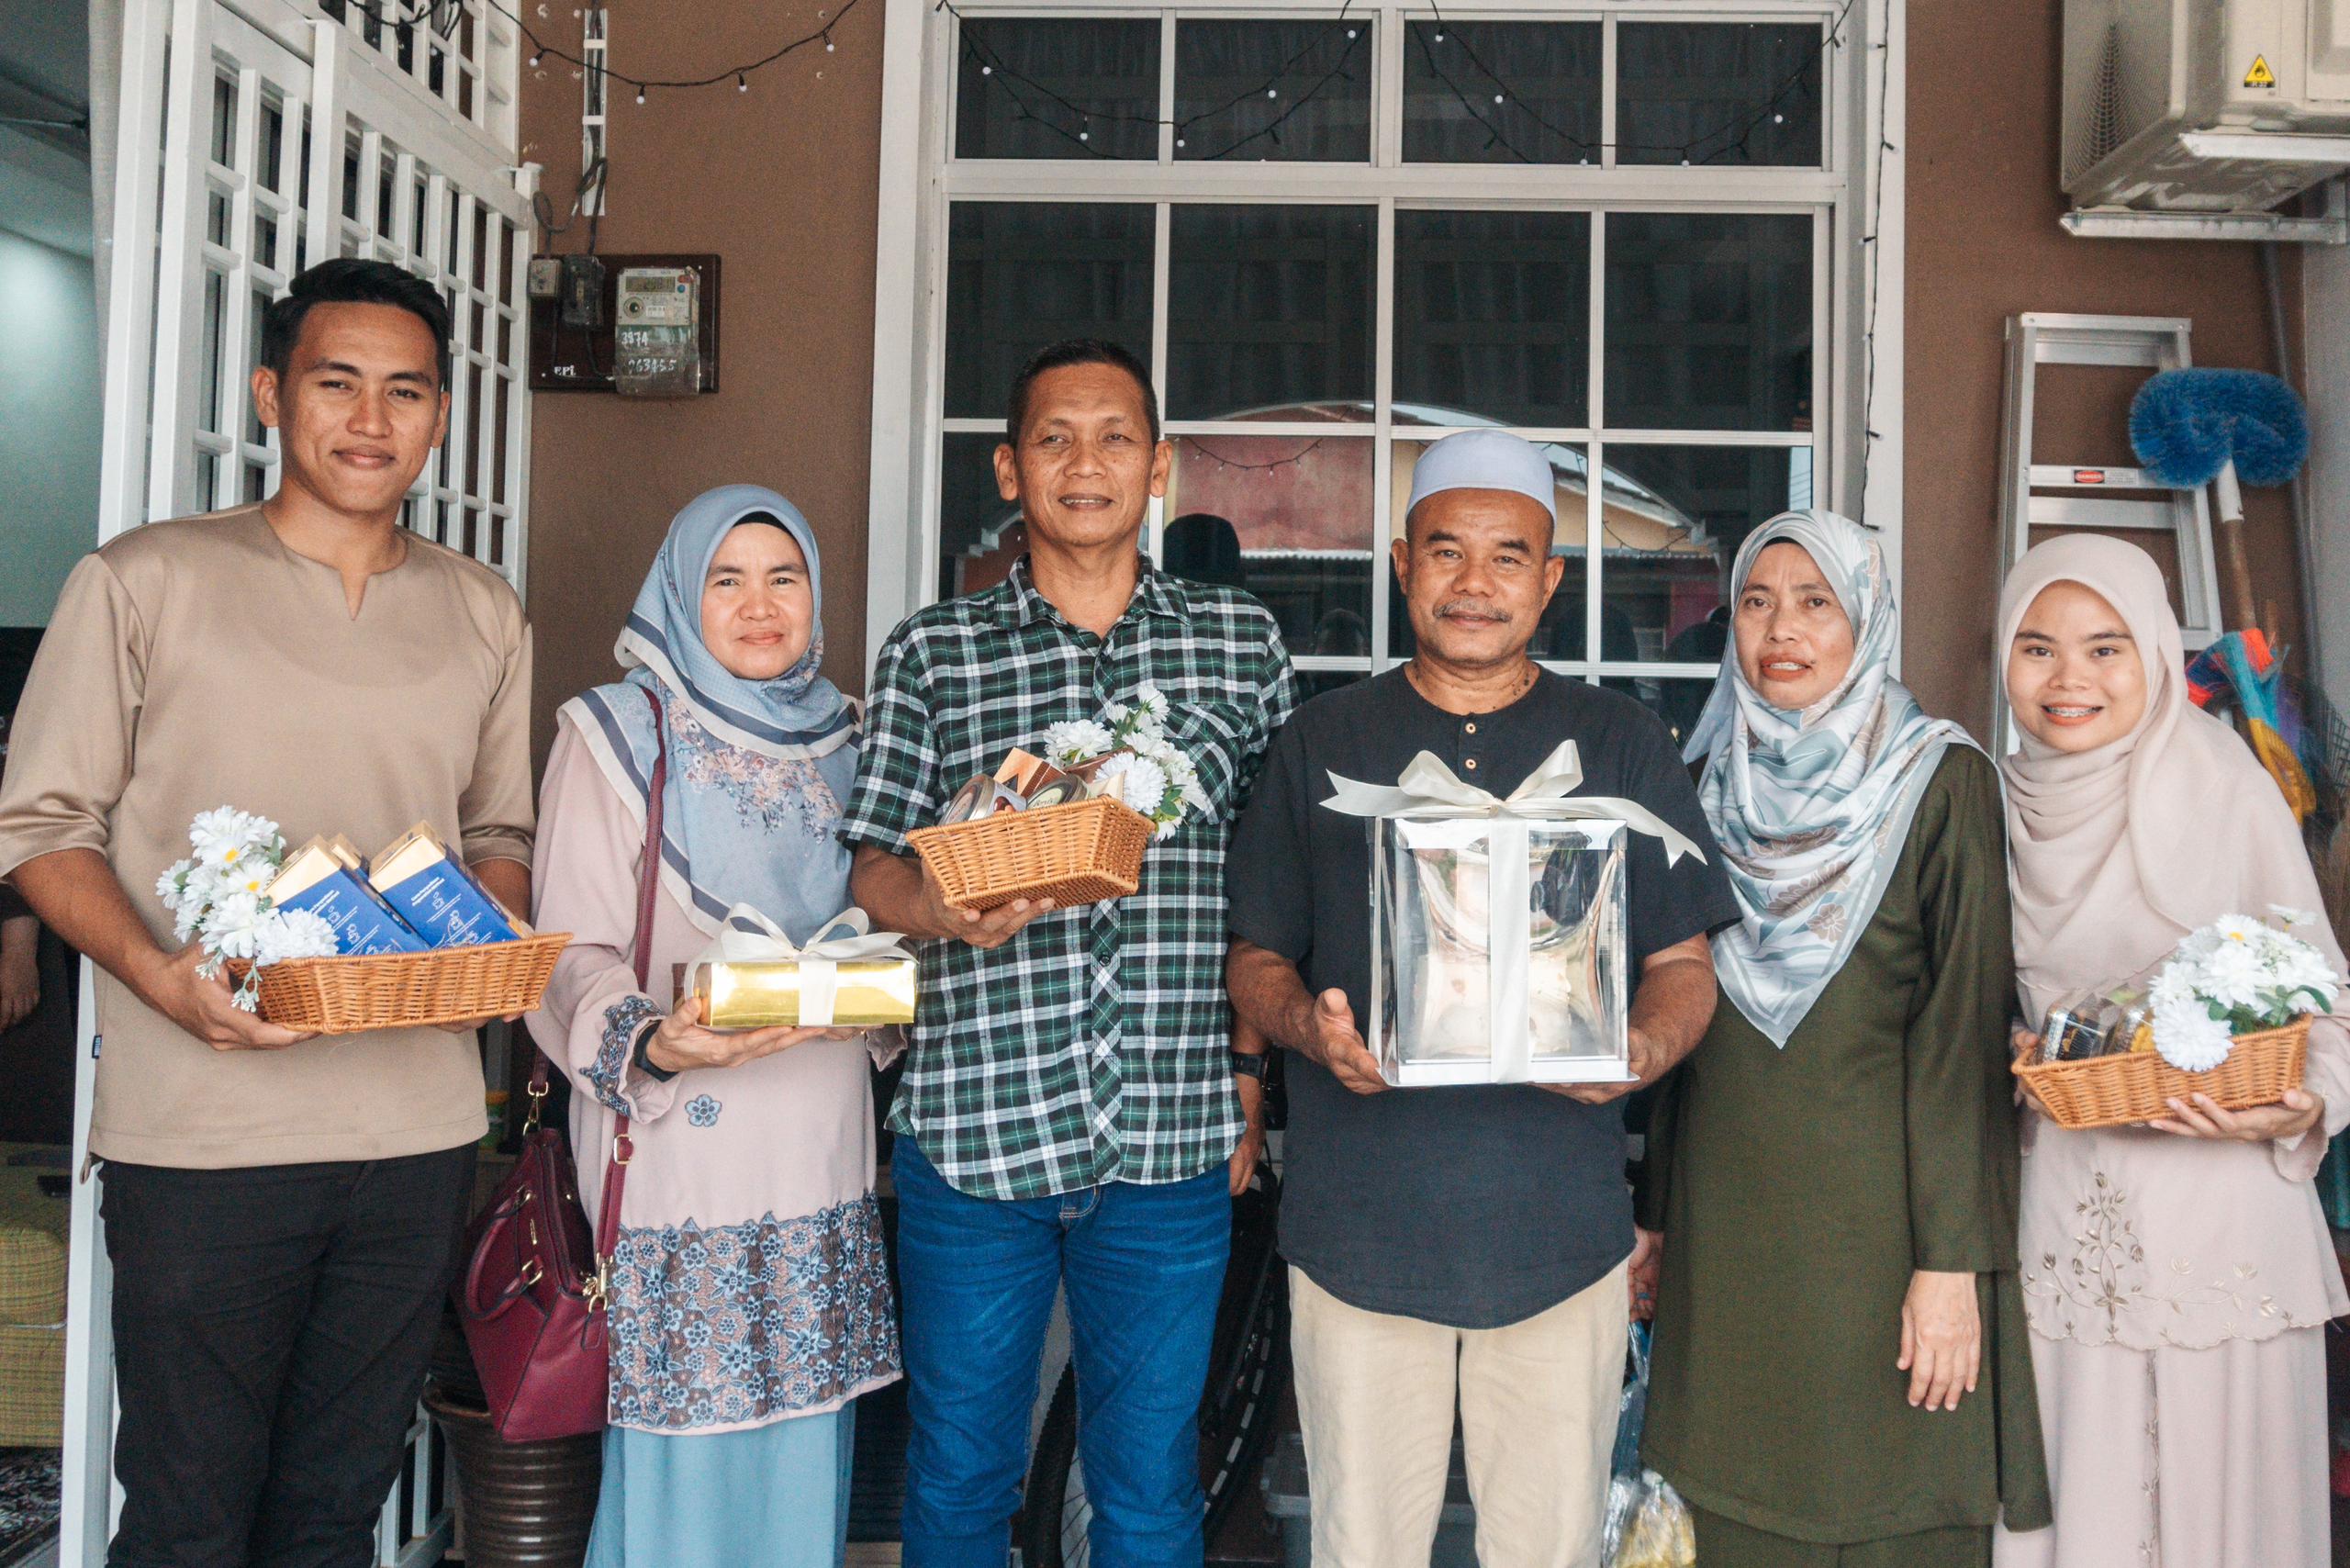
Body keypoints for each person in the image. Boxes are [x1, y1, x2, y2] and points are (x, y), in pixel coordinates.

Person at [0, 257, 533, 1566]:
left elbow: (498, 834)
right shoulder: (145, 580)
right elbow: (41, 825)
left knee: (332, 1515)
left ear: (441, 414)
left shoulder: (481, 611)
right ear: (269, 396)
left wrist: (485, 938)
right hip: (204, 1135)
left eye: (406, 391)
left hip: (414, 1131)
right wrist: (157, 972)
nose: (371, 419)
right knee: (188, 1517)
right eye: (336, 383)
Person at [1225, 427, 1738, 1568]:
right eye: (1446, 550)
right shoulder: (1321, 740)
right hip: (1360, 1235)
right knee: (1362, 1548)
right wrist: (1308, 1028)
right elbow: (1255, 956)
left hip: (1558, 1238)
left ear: (1549, 580)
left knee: (1548, 1550)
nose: (1473, 582)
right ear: (1401, 563)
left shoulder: (1622, 741)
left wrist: (1638, 1051)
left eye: (1508, 557)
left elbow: (1683, 967)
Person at [841, 337, 1296, 1568]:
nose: (1084, 464)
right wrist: (942, 908)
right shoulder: (934, 652)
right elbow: (870, 869)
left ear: (1159, 466)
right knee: (959, 1479)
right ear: (1009, 470)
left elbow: (1270, 888)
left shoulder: (1239, 645)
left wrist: (1247, 1072)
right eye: (1054, 439)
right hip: (975, 1126)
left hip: (1168, 1131)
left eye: (1113, 439)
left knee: (1147, 1488)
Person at [1635, 510, 2051, 1567]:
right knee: (1723, 1512)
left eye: (1815, 602)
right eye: (1756, 602)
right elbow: (1681, 1031)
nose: (1781, 629)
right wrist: (1653, 1217)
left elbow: (1961, 1040)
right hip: (1725, 1228)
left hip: (1883, 1231)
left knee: (1884, 1503)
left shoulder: (1939, 781)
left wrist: (1951, 1264)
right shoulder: (1699, 781)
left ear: (1866, 620)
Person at [529, 485, 901, 1568]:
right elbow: (566, 948)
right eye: (725, 580)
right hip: (681, 1134)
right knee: (685, 1444)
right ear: (679, 596)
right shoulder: (616, 734)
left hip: (818, 1140)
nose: (758, 605)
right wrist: (651, 1038)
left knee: (802, 1439)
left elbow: (880, 923)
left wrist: (879, 993)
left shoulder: (848, 737)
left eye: (784, 577)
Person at [1990, 535, 2350, 1568]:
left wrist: (2304, 1103)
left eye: (2105, 649)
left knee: (2220, 1514)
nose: (2069, 678)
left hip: (2223, 1220)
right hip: (2071, 1219)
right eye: (2037, 648)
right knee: (2082, 1501)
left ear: (2153, 650)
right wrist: (2008, 1048)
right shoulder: (1988, 800)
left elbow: (2327, 1003)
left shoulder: (2224, 783)